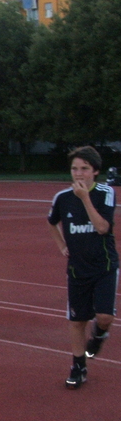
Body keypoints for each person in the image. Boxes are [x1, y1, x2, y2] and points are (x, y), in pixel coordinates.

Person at [47, 146, 118, 389]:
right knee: (77, 321)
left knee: (105, 316)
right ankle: (78, 365)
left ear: (95, 172)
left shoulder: (105, 193)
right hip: (78, 269)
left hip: (104, 265)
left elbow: (102, 228)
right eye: (74, 168)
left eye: (84, 169)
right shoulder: (62, 198)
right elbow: (51, 222)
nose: (78, 174)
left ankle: (99, 334)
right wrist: (61, 245)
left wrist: (85, 198)